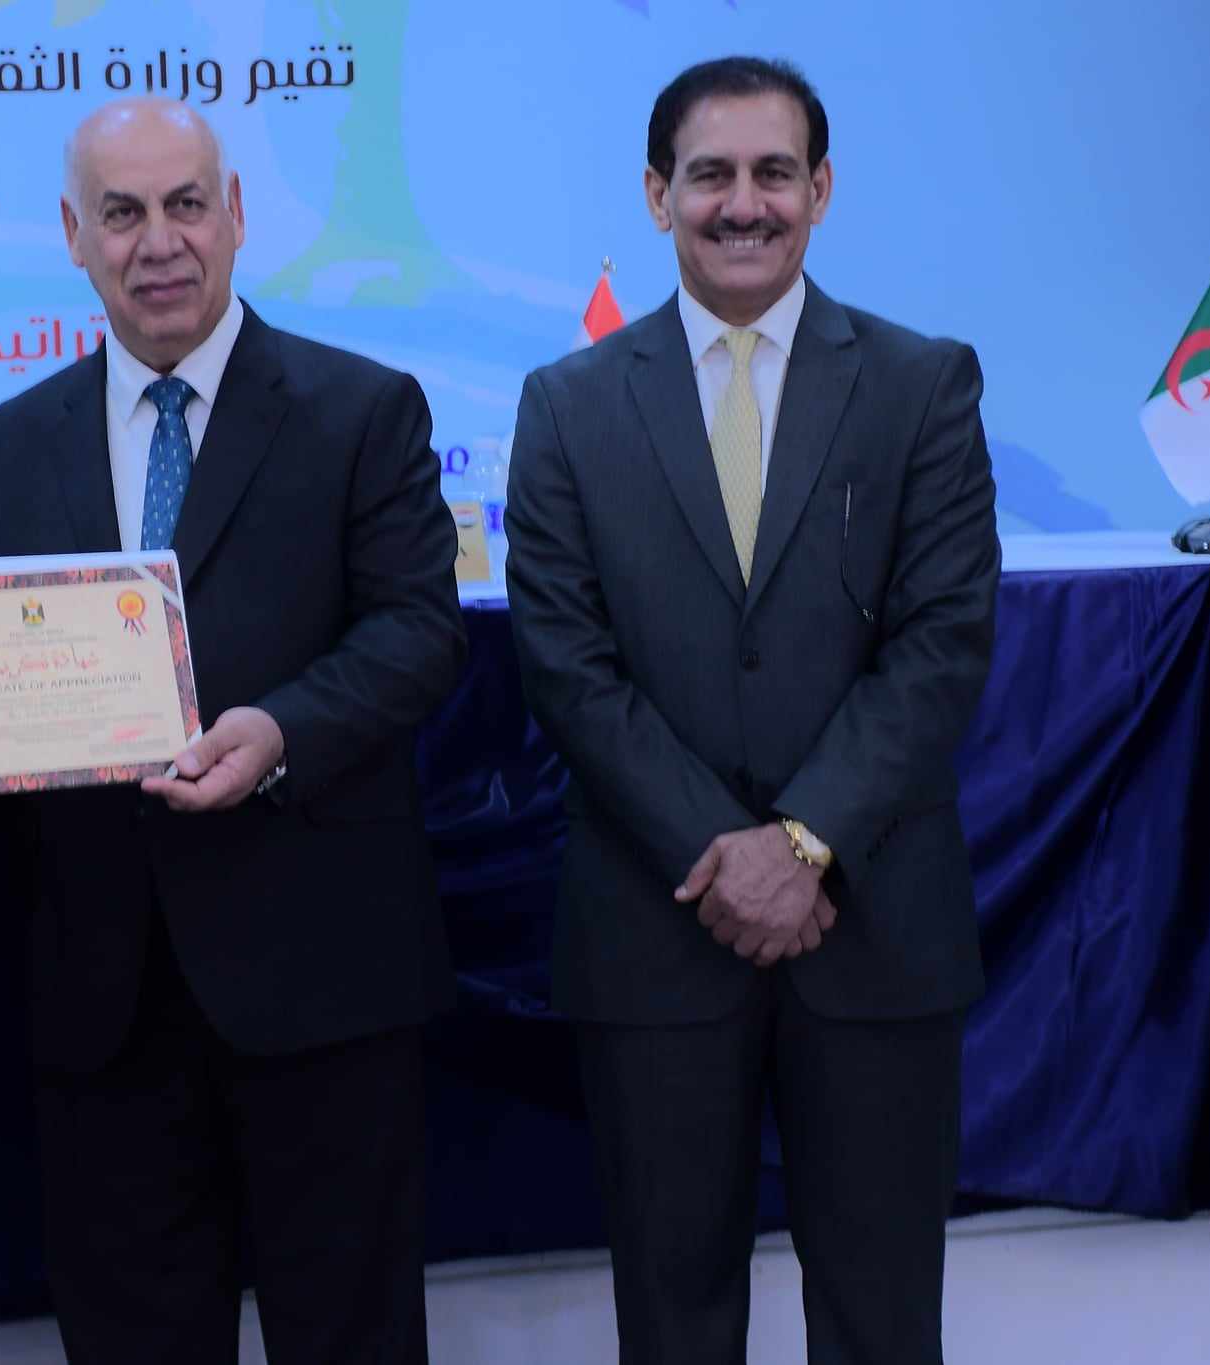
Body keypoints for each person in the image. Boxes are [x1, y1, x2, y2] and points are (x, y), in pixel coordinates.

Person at [0, 98, 465, 1365]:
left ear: (234, 215)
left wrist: (278, 731)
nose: (158, 241)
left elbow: (416, 636)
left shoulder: (362, 410)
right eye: (121, 213)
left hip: (320, 983)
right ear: (73, 234)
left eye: (186, 204)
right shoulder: (6, 447)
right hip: (98, 1002)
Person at [505, 57, 1000, 1365]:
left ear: (820, 191)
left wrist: (804, 842)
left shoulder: (922, 384)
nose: (743, 204)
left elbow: (942, 645)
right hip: (655, 928)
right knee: (673, 1326)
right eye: (710, 175)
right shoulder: (566, 405)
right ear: (656, 194)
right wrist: (722, 855)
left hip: (875, 931)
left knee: (882, 1324)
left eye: (773, 173)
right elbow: (564, 662)